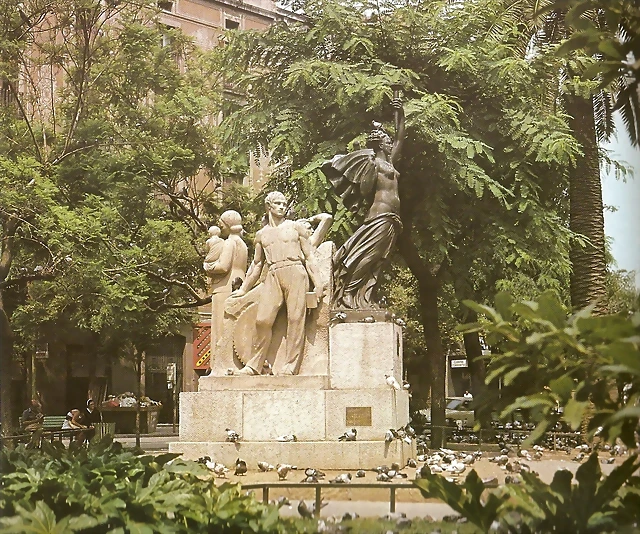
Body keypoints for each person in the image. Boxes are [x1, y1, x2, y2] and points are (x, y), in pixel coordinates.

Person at [321, 99, 405, 309]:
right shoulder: (373, 163)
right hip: (380, 216)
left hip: (393, 219)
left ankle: (365, 297)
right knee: (371, 254)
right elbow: (366, 191)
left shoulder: (390, 162)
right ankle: (349, 292)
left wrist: (399, 110)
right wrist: (368, 171)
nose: (390, 143)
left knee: (380, 261)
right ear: (379, 144)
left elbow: (401, 137)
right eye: (386, 140)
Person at [232, 191, 323, 375]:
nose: (282, 207)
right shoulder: (261, 234)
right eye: (278, 203)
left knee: (295, 319)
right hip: (273, 273)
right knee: (262, 320)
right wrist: (243, 289)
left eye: (284, 203)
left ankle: (290, 366)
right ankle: (254, 365)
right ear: (269, 206)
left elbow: (309, 256)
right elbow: (257, 264)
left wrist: (318, 283)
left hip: (296, 271)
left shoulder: (296, 228)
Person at [203, 210, 249, 354]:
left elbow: (223, 266)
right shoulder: (242, 243)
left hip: (225, 287)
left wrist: (208, 266)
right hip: (238, 284)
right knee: (233, 326)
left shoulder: (230, 242)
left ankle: (220, 363)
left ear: (228, 224)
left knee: (221, 328)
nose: (220, 227)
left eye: (222, 224)